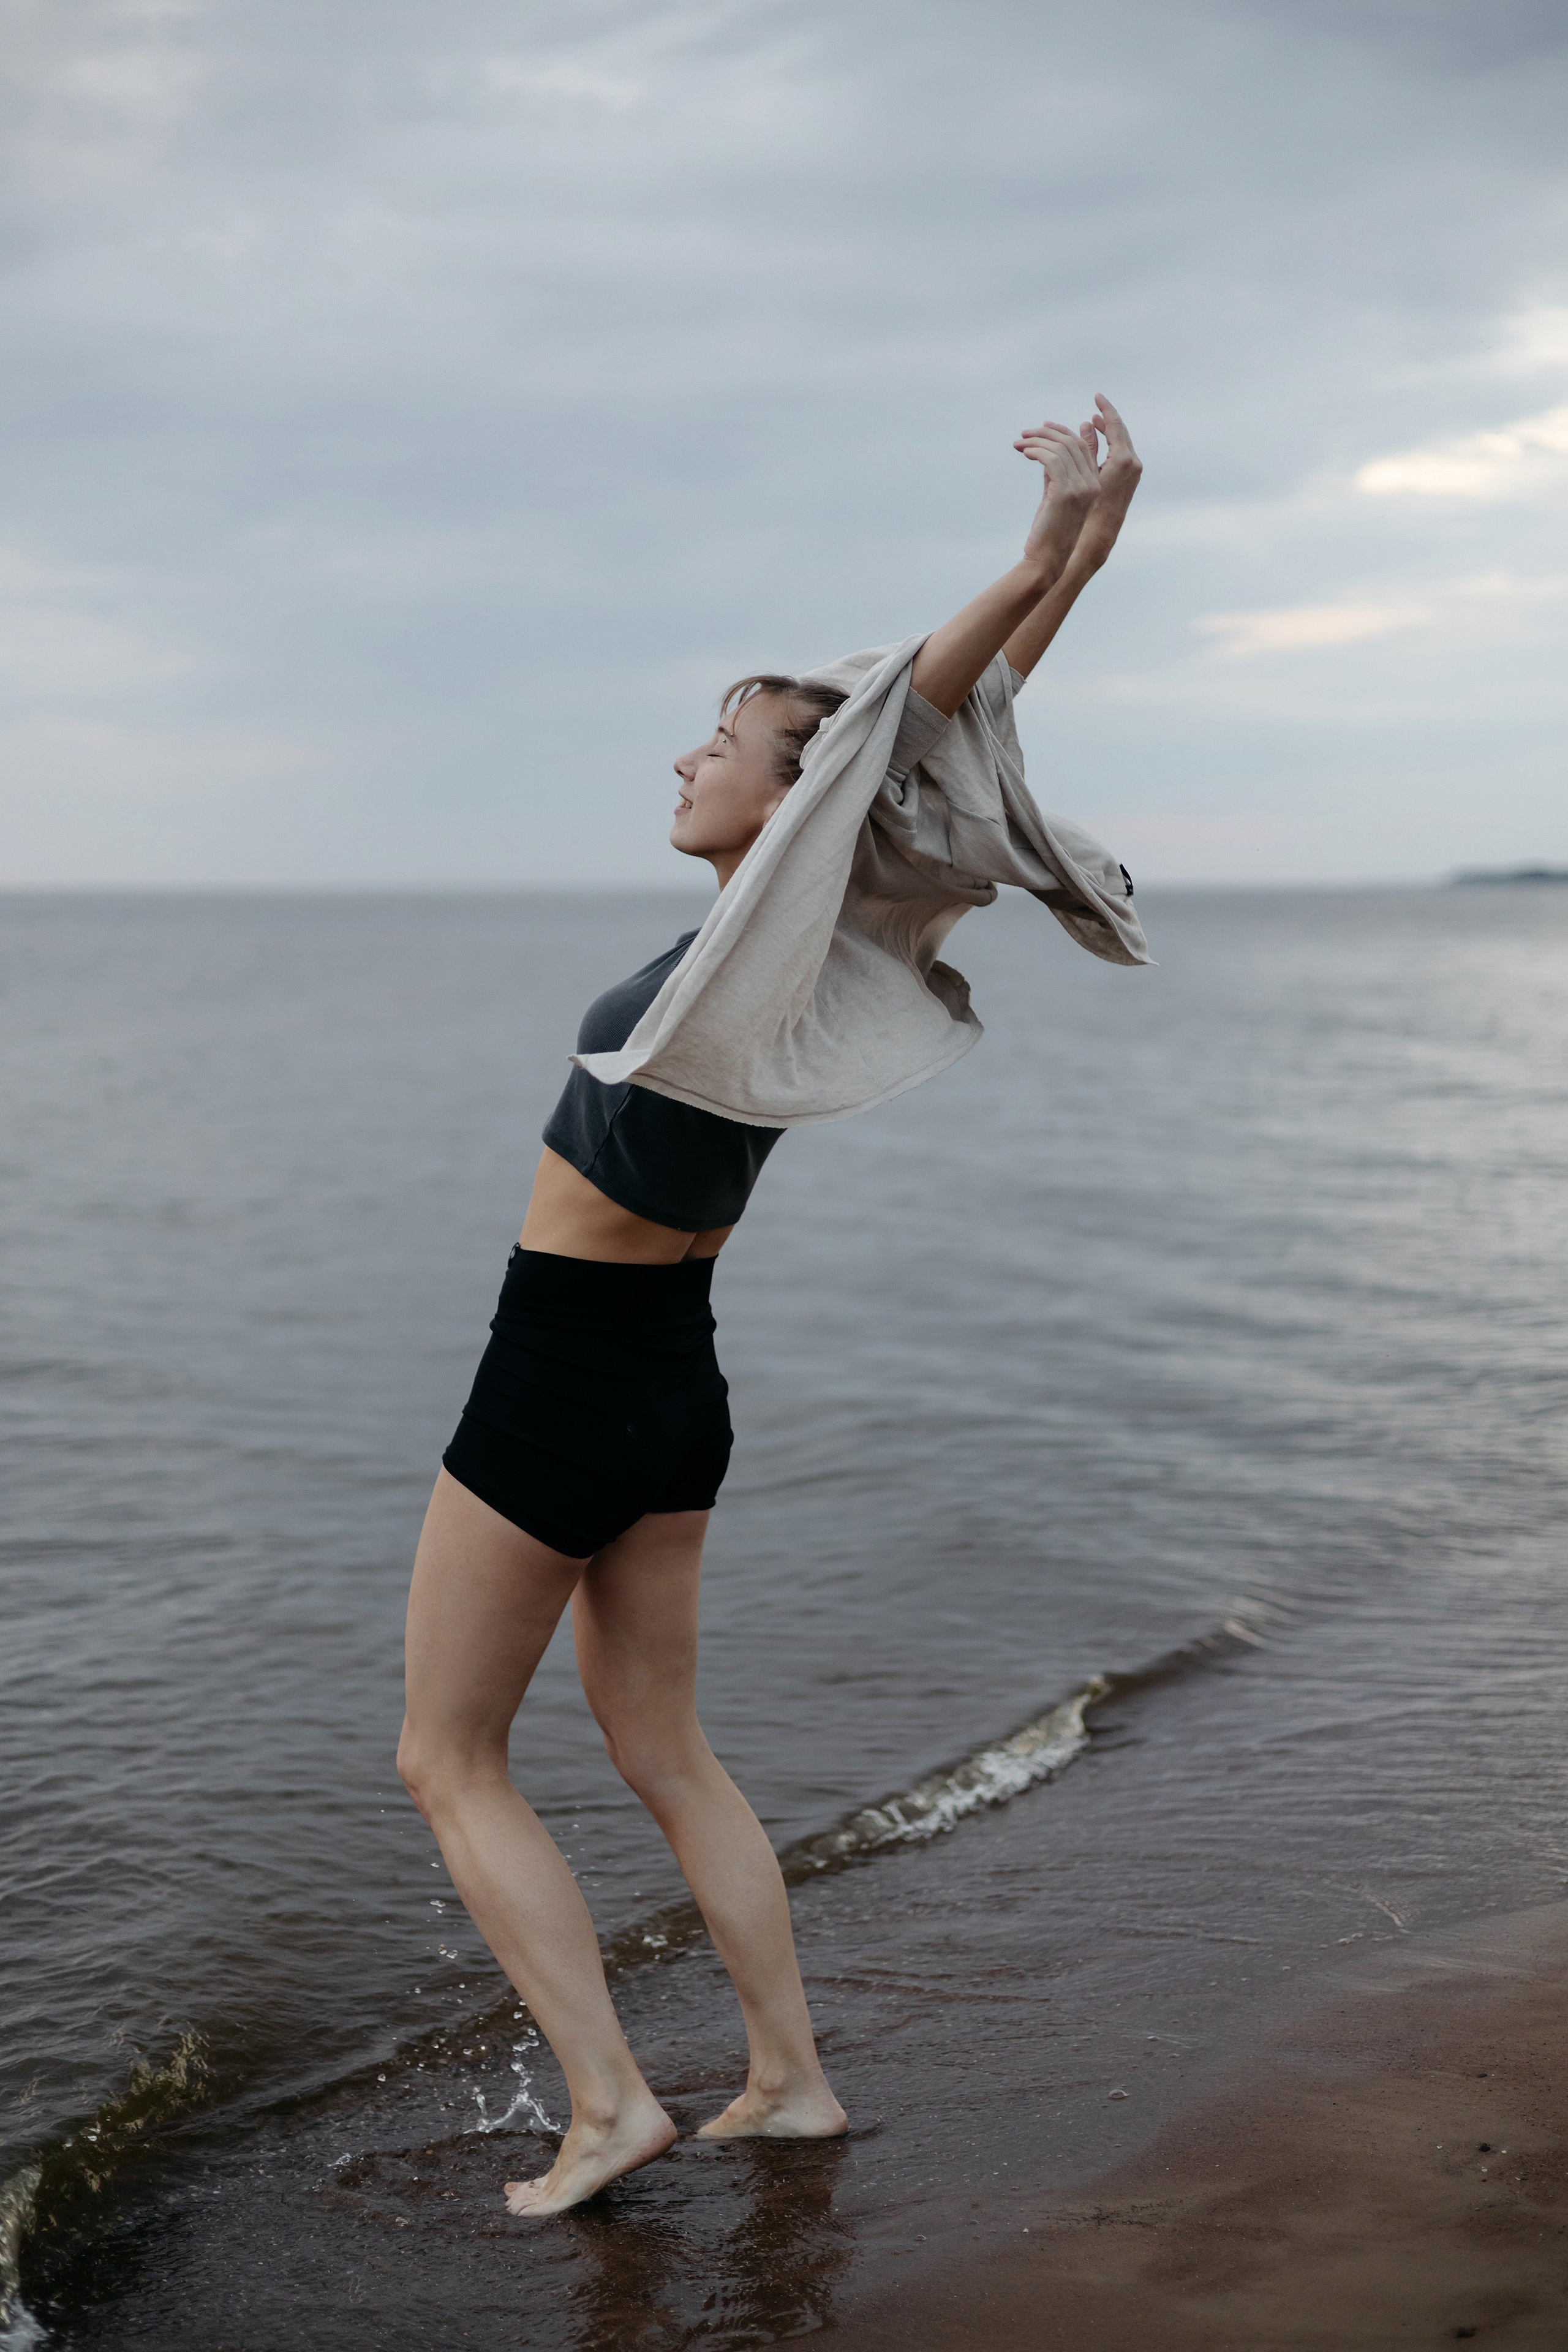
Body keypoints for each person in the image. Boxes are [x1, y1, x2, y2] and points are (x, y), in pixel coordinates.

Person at [396, 397, 1144, 2217]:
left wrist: (1047, 558)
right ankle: (789, 2083)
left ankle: (606, 2106)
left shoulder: (766, 939)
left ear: (794, 797)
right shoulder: (828, 946)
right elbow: (914, 745)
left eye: (720, 743)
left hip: (566, 1371)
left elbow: (896, 723)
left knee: (448, 1755)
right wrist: (1080, 557)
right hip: (677, 1381)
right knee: (664, 1750)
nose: (684, 762)